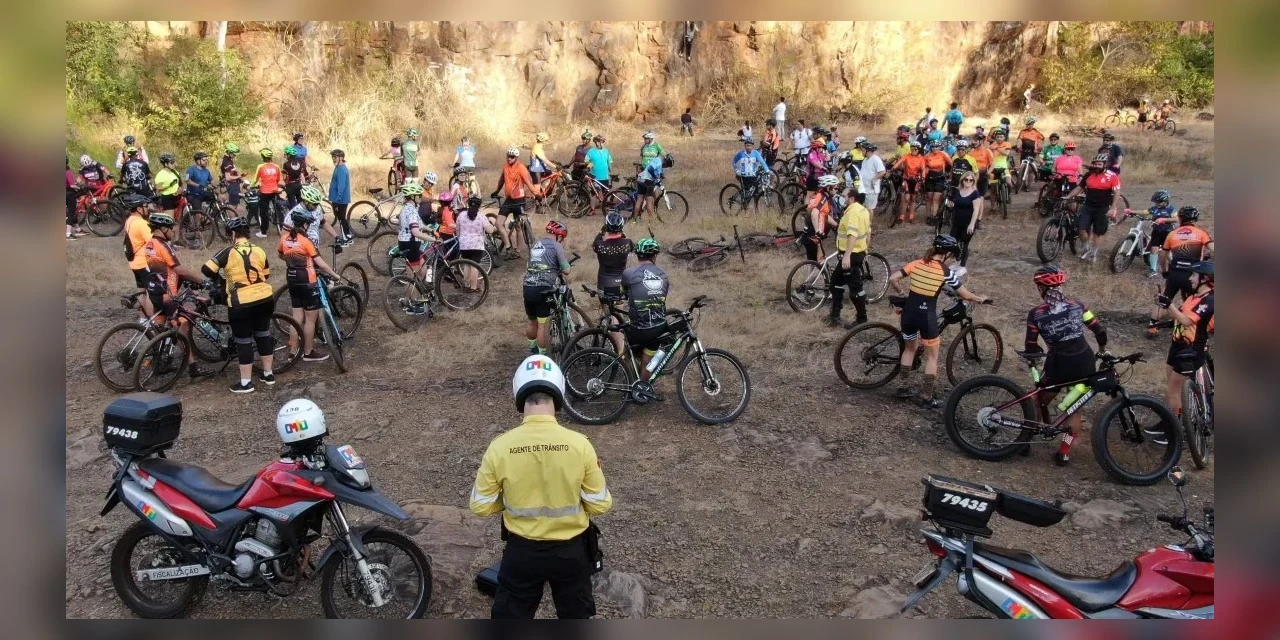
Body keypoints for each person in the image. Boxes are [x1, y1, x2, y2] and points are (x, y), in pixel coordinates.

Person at [470, 355, 612, 619]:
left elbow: (479, 505)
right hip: (571, 553)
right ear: (558, 393)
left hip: (521, 553)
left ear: (519, 394)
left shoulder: (499, 447)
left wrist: (509, 498)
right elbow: (600, 504)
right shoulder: (580, 445)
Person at [888, 235, 990, 408]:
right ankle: (926, 397)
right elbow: (964, 294)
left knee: (909, 350)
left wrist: (901, 293)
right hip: (926, 317)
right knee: (932, 357)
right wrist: (980, 298)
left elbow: (893, 278)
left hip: (909, 314)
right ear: (948, 254)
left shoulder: (917, 263)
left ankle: (902, 388)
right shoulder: (945, 271)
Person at [1023, 265, 1109, 465]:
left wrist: (1032, 361)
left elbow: (1031, 346)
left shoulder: (1036, 314)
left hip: (1058, 366)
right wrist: (1102, 350)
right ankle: (1064, 452)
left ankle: (1024, 442)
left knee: (1036, 400)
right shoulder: (1078, 305)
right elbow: (1099, 330)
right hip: (1085, 362)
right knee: (1074, 409)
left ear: (1041, 289)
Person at [201, 217, 277, 392]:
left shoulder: (228, 251)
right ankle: (268, 374)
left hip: (241, 302)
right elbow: (265, 275)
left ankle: (245, 383)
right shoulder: (260, 250)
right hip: (265, 298)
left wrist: (222, 281)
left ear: (233, 234)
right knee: (263, 334)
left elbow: (206, 269)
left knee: (243, 341)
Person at [142, 211, 209, 379]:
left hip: (154, 291)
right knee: (183, 325)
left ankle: (158, 364)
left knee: (161, 328)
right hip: (167, 295)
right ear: (163, 228)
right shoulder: (163, 246)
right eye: (171, 228)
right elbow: (177, 269)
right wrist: (201, 281)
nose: (173, 231)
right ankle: (193, 367)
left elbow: (164, 271)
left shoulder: (150, 244)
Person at [278, 209, 342, 364]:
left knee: (296, 318)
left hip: (292, 279)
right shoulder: (306, 241)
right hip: (308, 280)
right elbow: (320, 264)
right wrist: (335, 275)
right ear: (305, 225)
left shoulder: (285, 239)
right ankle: (308, 352)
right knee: (310, 319)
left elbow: (280, 255)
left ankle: (293, 351)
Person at [1162, 261, 1214, 426]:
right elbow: (1179, 316)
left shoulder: (1209, 300)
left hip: (1191, 349)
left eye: (1194, 275)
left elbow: (1185, 320)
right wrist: (1165, 305)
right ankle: (1170, 419)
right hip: (1177, 345)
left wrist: (1169, 304)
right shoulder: (1193, 297)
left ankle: (1174, 429)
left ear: (1204, 279)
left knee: (1173, 391)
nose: (1190, 278)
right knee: (1171, 388)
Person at [1148, 206, 1213, 339]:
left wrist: (1165, 271)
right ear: (1195, 219)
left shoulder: (1172, 234)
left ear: (1179, 219)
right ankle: (1202, 323)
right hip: (1194, 274)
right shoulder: (1201, 233)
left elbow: (1163, 256)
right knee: (1200, 298)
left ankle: (1152, 326)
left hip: (1175, 272)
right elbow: (1214, 249)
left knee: (1165, 297)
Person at [621, 238, 669, 382]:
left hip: (638, 329)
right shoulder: (663, 275)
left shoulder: (628, 273)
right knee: (648, 362)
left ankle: (631, 381)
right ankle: (643, 387)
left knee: (626, 354)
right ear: (654, 256)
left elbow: (622, 293)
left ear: (637, 255)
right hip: (658, 327)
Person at [522, 221, 572, 355]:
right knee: (543, 324)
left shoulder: (534, 245)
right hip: (543, 288)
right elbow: (566, 270)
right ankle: (543, 354)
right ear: (559, 236)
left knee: (532, 322)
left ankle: (532, 347)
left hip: (528, 286)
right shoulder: (556, 246)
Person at [1065, 153, 1121, 262]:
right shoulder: (1089, 174)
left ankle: (1093, 253)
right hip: (1088, 206)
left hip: (1102, 208)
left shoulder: (1112, 176)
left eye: (1099, 164)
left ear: (1105, 165)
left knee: (1097, 233)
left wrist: (1113, 208)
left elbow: (1117, 192)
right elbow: (1079, 188)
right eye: (1095, 164)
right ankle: (1086, 247)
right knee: (1081, 229)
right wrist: (1068, 196)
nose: (1096, 166)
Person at [829, 192, 872, 328]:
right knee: (836, 283)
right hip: (855, 253)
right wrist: (866, 248)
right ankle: (835, 315)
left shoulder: (853, 212)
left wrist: (847, 255)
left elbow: (852, 234)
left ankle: (862, 319)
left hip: (850, 255)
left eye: (844, 196)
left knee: (855, 289)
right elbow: (868, 232)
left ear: (851, 198)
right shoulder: (863, 210)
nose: (842, 198)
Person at [593, 212, 633, 354]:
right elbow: (625, 238)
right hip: (619, 285)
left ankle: (615, 346)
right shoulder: (627, 244)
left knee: (610, 316)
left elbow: (596, 241)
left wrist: (601, 231)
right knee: (617, 317)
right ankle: (620, 350)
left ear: (606, 227)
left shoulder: (600, 246)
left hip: (603, 286)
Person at [492, 147, 541, 257]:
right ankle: (509, 248)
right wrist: (496, 191)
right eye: (508, 156)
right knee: (498, 223)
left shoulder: (521, 167)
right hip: (508, 200)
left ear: (516, 158)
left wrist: (536, 194)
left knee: (519, 226)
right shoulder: (505, 166)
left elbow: (528, 182)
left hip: (519, 200)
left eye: (512, 157)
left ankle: (518, 251)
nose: (509, 158)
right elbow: (501, 180)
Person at [121, 193, 155, 318]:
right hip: (145, 263)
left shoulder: (129, 220)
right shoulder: (141, 224)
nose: (148, 208)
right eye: (146, 206)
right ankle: (152, 323)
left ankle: (142, 320)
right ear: (139, 208)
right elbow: (153, 243)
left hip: (134, 263)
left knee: (141, 293)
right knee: (152, 294)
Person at [283, 184, 341, 252]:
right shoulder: (293, 215)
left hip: (314, 250)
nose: (317, 206)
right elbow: (284, 237)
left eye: (318, 204)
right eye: (315, 204)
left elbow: (323, 223)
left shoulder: (316, 211)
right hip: (299, 253)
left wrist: (337, 237)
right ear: (306, 202)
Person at [456, 194, 495, 292]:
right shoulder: (481, 216)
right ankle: (473, 288)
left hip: (464, 245)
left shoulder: (461, 215)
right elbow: (490, 230)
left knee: (467, 265)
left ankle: (466, 285)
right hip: (477, 245)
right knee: (474, 265)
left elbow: (457, 230)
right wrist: (493, 227)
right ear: (479, 204)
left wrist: (460, 239)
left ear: (468, 203)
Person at [948, 171, 984, 266]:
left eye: (971, 180)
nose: (968, 182)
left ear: (973, 181)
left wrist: (972, 224)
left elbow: (976, 210)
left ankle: (962, 265)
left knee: (964, 244)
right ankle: (957, 260)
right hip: (956, 222)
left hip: (968, 223)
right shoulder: (957, 191)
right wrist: (950, 206)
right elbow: (952, 207)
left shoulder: (975, 193)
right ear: (962, 180)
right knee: (952, 242)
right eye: (966, 180)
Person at [802, 175, 838, 262]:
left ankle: (812, 275)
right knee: (818, 263)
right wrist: (817, 232)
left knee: (813, 264)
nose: (837, 190)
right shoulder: (823, 198)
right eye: (835, 188)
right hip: (813, 237)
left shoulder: (820, 195)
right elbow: (814, 213)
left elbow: (824, 215)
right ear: (829, 187)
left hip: (809, 235)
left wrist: (836, 225)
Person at [251, 148, 283, 238]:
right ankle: (280, 224)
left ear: (263, 157)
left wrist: (251, 185)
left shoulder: (260, 167)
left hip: (264, 191)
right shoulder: (276, 167)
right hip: (275, 190)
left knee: (263, 212)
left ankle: (264, 232)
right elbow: (278, 179)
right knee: (278, 207)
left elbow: (255, 179)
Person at [1144, 190, 1177, 277]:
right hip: (1156, 232)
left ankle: (1175, 267)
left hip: (1168, 232)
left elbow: (1176, 219)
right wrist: (1131, 211)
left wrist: (1164, 219)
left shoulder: (1171, 209)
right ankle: (1153, 270)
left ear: (1165, 201)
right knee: (1153, 249)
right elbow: (1145, 212)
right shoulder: (1155, 208)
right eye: (1155, 202)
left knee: (1167, 253)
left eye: (1159, 202)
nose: (1157, 204)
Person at [892, 141, 927, 223]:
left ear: (918, 150)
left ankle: (911, 216)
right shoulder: (907, 156)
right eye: (912, 149)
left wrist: (923, 177)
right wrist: (893, 169)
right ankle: (902, 216)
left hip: (916, 180)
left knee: (913, 198)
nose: (913, 150)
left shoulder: (921, 158)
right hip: (906, 179)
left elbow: (923, 169)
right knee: (906, 199)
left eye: (915, 149)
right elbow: (899, 162)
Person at [184, 152, 216, 232]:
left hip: (202, 193)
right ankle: (196, 231)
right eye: (204, 160)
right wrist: (198, 185)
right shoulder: (191, 169)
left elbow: (211, 180)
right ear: (198, 161)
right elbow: (187, 180)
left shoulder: (206, 171)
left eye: (206, 160)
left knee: (218, 198)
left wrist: (217, 184)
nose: (206, 161)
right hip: (193, 194)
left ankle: (208, 218)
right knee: (198, 212)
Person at [634, 152, 671, 221]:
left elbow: (658, 177)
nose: (666, 167)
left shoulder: (658, 162)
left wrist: (659, 182)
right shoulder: (658, 161)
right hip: (647, 181)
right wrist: (655, 178)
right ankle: (651, 220)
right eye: (666, 166)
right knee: (649, 201)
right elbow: (650, 169)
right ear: (665, 162)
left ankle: (634, 220)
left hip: (640, 179)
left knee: (639, 200)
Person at [922, 141, 952, 224]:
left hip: (940, 178)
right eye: (933, 147)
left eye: (937, 146)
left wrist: (950, 174)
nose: (935, 148)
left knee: (936, 198)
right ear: (931, 147)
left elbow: (952, 164)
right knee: (929, 197)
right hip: (930, 178)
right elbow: (923, 167)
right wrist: (923, 175)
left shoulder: (943, 154)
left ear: (940, 147)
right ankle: (928, 216)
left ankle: (935, 216)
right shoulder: (927, 156)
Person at [328, 149, 353, 245]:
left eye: (335, 157)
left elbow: (341, 186)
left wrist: (337, 199)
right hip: (337, 199)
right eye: (332, 157)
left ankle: (347, 238)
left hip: (341, 200)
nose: (333, 159)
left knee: (342, 219)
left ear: (341, 158)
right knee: (341, 218)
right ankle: (347, 237)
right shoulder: (338, 167)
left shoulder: (342, 169)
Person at [584, 135, 613, 212]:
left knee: (606, 193)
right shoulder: (591, 151)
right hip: (595, 177)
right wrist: (590, 165)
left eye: (603, 142)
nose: (603, 143)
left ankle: (606, 208)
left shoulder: (606, 151)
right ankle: (592, 209)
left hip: (605, 177)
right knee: (593, 193)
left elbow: (609, 162)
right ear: (597, 142)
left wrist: (611, 171)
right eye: (602, 142)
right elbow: (586, 161)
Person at [858, 143, 886, 212]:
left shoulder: (876, 159)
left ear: (869, 151)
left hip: (872, 189)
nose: (862, 152)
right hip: (864, 188)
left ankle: (869, 222)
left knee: (870, 209)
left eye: (863, 150)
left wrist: (874, 179)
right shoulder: (865, 160)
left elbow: (882, 171)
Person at [281, 145, 309, 210]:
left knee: (292, 205)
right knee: (300, 204)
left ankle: (293, 218)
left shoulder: (286, 164)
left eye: (286, 154)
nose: (285, 155)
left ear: (288, 155)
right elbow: (302, 175)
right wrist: (304, 184)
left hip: (290, 186)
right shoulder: (300, 163)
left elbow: (284, 178)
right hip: (298, 185)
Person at [220, 143, 243, 211]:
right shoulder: (226, 162)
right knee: (233, 204)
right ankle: (231, 218)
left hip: (234, 182)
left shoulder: (229, 159)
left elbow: (232, 171)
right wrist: (238, 176)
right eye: (234, 154)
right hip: (230, 183)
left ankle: (225, 203)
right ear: (229, 152)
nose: (235, 155)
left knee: (236, 201)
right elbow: (228, 178)